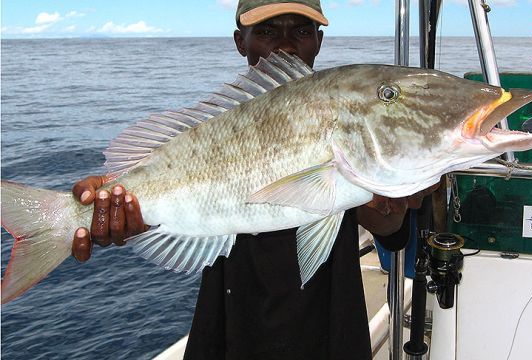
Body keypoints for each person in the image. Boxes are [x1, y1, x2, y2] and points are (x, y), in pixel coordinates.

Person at [71, 1, 438, 358]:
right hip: (231, 325)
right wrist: (113, 200)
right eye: (266, 31)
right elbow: (160, 183)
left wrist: (401, 194)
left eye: (302, 30)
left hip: (326, 324)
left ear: (319, 41)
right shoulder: (214, 126)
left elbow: (385, 223)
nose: (286, 44)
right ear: (239, 41)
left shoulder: (346, 118)